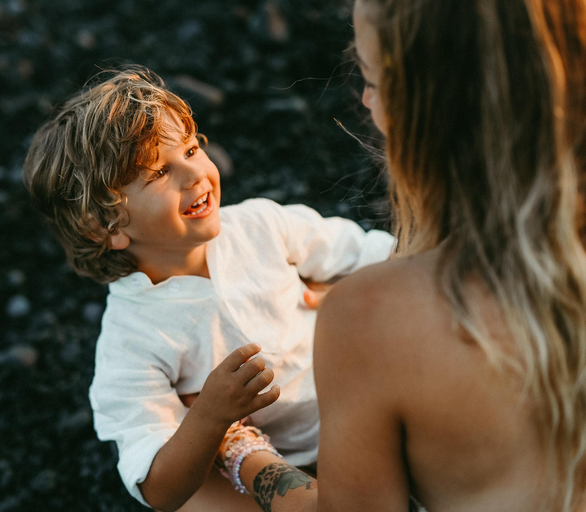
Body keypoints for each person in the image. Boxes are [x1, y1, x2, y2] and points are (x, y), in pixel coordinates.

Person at [230, 0, 586, 511]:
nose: (368, 103)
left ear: (431, 109)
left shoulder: (370, 320)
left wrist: (241, 453)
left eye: (371, 79)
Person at [21, 65, 396, 511]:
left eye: (193, 148)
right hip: (274, 466)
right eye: (159, 173)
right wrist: (211, 416)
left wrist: (343, 295)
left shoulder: (261, 226)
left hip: (371, 404)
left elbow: (382, 254)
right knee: (195, 497)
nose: (195, 174)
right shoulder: (131, 340)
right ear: (106, 224)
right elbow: (157, 487)